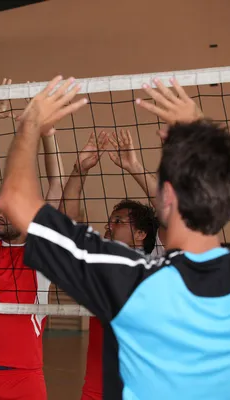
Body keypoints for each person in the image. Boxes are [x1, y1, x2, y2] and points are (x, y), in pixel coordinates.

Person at [0, 75, 230, 399]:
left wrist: (32, 120)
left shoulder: (133, 281)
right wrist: (196, 135)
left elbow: (14, 199)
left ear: (166, 196)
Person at [0, 78, 65, 399]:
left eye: (8, 209)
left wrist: (47, 134)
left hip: (24, 379)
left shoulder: (40, 255)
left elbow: (57, 184)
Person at [58, 131, 160, 399]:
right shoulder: (98, 262)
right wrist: (79, 170)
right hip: (97, 389)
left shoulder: (155, 263)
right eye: (110, 221)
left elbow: (170, 211)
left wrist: (134, 167)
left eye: (118, 221)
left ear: (141, 234)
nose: (108, 226)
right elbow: (64, 224)